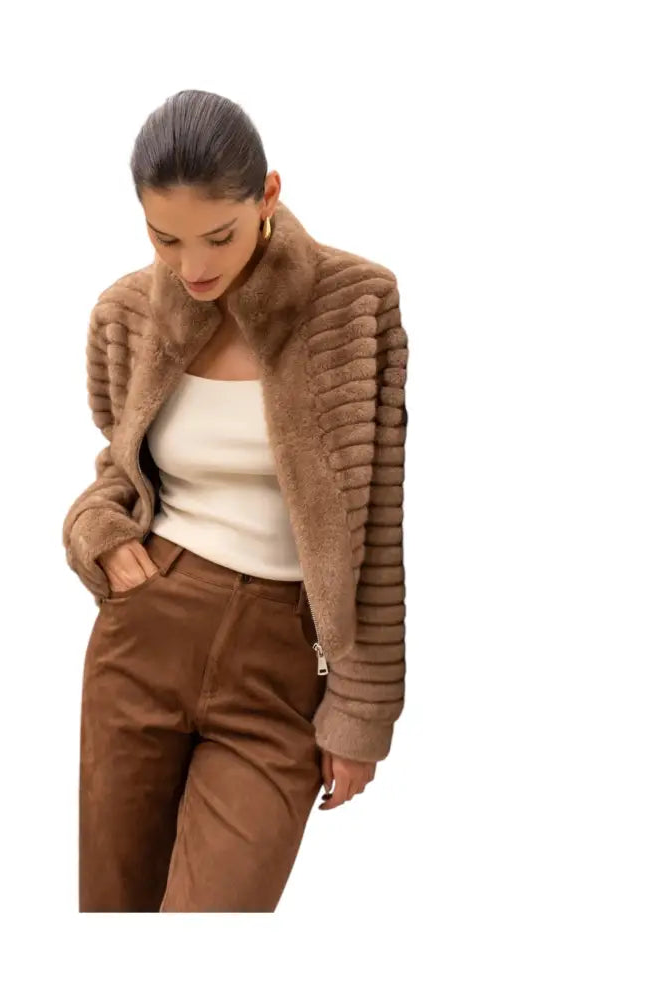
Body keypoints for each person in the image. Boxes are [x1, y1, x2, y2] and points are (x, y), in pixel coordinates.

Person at [63, 89, 408, 912]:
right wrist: (99, 534)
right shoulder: (125, 313)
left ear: (268, 195)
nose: (192, 267)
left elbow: (379, 519)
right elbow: (121, 471)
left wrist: (362, 711)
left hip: (282, 664)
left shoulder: (357, 306)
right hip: (146, 632)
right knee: (114, 914)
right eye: (165, 238)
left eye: (218, 236)